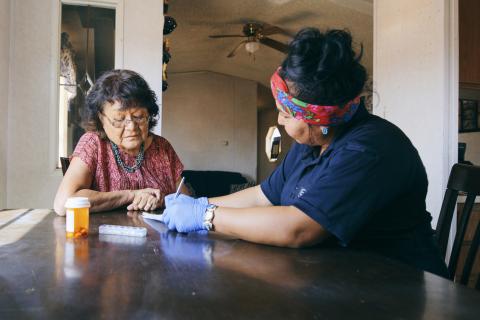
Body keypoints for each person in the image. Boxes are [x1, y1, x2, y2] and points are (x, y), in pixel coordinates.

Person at [160, 28, 448, 277]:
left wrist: (206, 216)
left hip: (397, 288)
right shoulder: (310, 144)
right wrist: (198, 202)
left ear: (321, 119)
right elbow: (263, 196)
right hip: (338, 277)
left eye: (286, 114)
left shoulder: (370, 149)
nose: (279, 120)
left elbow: (299, 228)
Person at [54, 69, 186, 216]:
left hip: (157, 237)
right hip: (103, 236)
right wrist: (131, 195)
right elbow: (63, 203)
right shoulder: (93, 144)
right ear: (101, 118)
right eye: (119, 119)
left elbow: (188, 202)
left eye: (139, 116)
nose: (131, 127)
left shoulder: (162, 147)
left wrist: (162, 201)